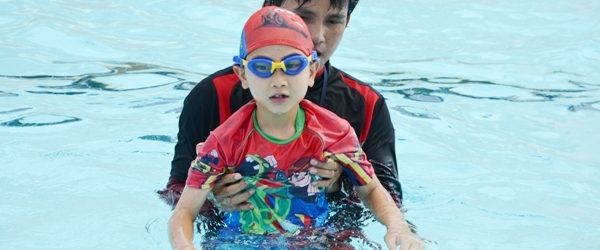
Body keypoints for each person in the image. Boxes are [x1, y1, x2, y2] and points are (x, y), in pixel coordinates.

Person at [168, 7, 423, 250]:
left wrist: (398, 225)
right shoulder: (223, 141)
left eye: (292, 66)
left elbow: (372, 189)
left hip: (320, 239)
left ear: (311, 70)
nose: (278, 81)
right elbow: (184, 211)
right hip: (239, 241)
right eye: (262, 68)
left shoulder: (335, 133)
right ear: (242, 75)